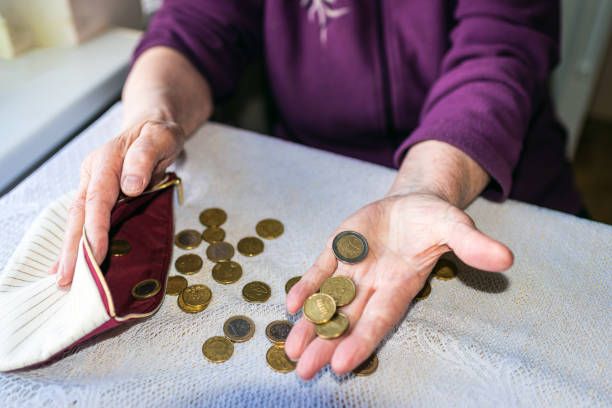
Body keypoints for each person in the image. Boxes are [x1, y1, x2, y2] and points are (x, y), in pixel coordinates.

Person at [50, 0, 582, 380]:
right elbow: (192, 26)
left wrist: (424, 187)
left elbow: (498, 55)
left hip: (486, 178)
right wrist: (151, 117)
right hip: (311, 181)